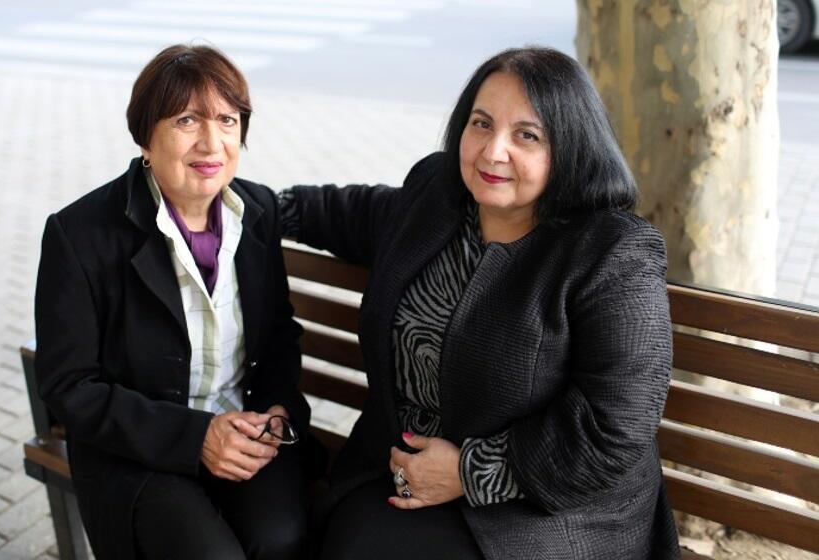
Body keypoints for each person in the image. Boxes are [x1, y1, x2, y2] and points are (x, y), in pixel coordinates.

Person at [281, 47, 680, 559]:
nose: (493, 152)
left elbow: (615, 428)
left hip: (546, 509)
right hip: (407, 475)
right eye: (482, 124)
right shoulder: (438, 196)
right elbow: (359, 214)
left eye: (527, 136)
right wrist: (252, 204)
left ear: (570, 148)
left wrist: (470, 471)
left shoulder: (612, 252)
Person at [34, 44, 309, 560]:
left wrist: (277, 410)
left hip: (245, 431)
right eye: (187, 120)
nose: (212, 142)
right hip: (138, 450)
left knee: (282, 539)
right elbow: (68, 385)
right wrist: (195, 438)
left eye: (228, 120)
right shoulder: (80, 233)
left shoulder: (257, 212)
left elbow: (278, 333)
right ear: (145, 137)